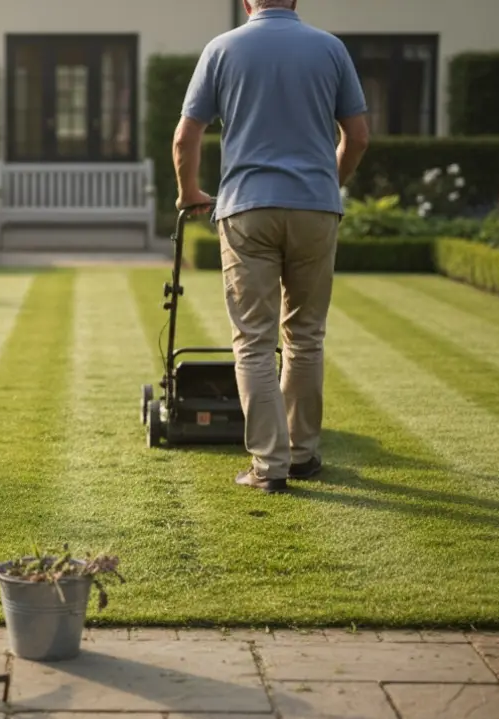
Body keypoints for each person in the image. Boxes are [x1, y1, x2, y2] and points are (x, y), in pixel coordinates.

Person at [173, 0, 370, 494]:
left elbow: (185, 137)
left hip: (248, 208)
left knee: (254, 342)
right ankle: (302, 455)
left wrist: (189, 192)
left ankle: (269, 466)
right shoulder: (331, 49)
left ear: (246, 2)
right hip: (315, 208)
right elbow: (358, 136)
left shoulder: (222, 49)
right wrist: (328, 184)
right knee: (306, 336)